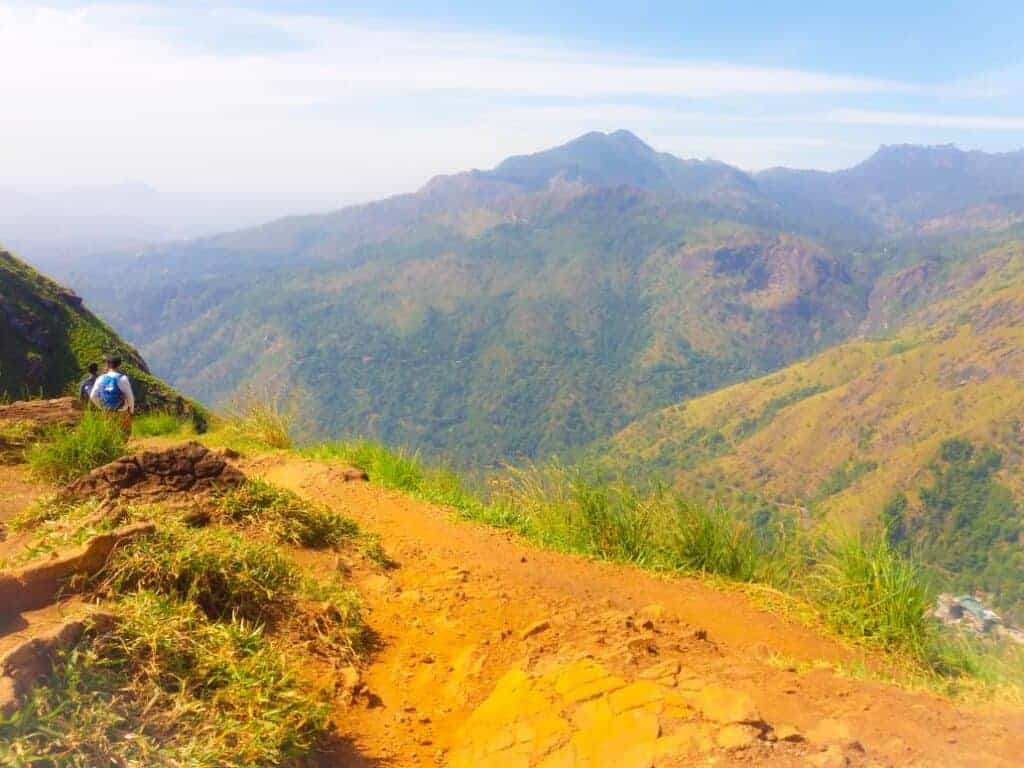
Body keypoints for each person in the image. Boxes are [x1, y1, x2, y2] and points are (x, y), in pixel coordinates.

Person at [90, 355, 135, 431]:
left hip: (107, 412)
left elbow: (92, 396)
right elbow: (130, 397)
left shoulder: (100, 378)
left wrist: (101, 407)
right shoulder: (122, 378)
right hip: (121, 412)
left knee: (110, 434)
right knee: (124, 433)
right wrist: (131, 411)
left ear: (108, 365)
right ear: (119, 365)